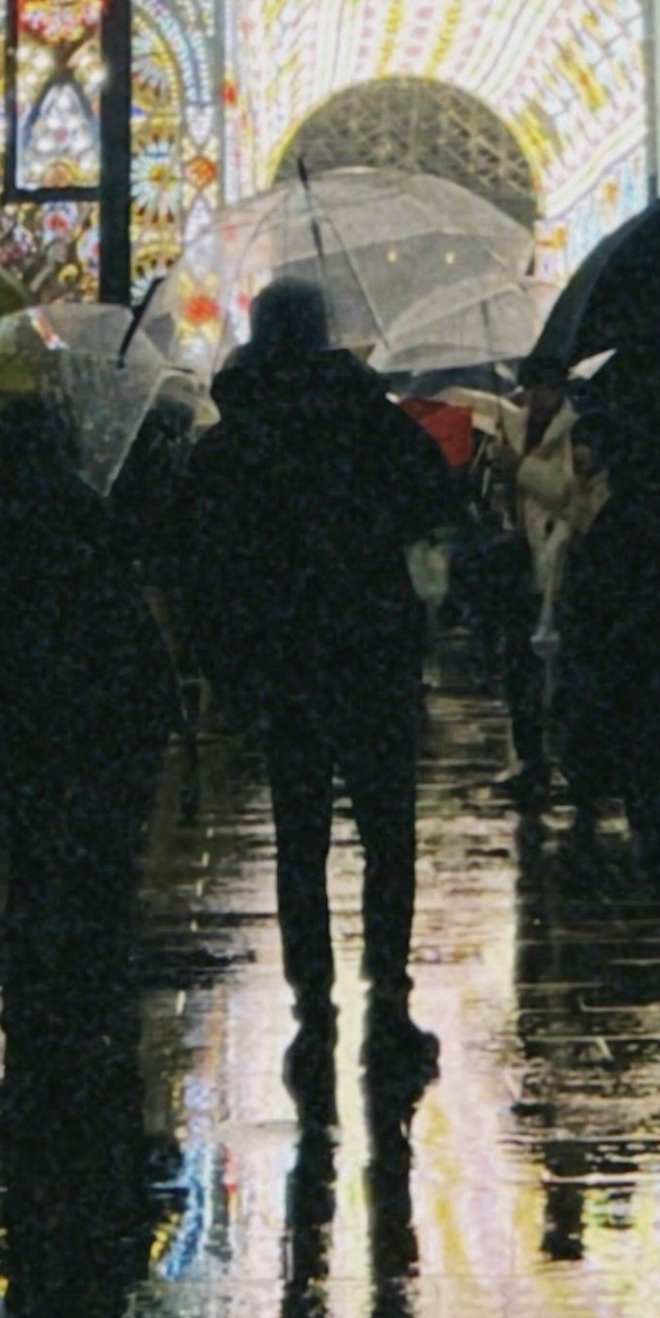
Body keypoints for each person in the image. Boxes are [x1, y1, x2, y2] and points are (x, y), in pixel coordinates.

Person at [177, 274, 459, 1100]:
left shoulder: (234, 437)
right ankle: (390, 993)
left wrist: (227, 659)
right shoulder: (372, 423)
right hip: (372, 652)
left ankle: (313, 1002)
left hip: (284, 662)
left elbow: (200, 552)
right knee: (387, 832)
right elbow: (431, 504)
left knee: (300, 838)